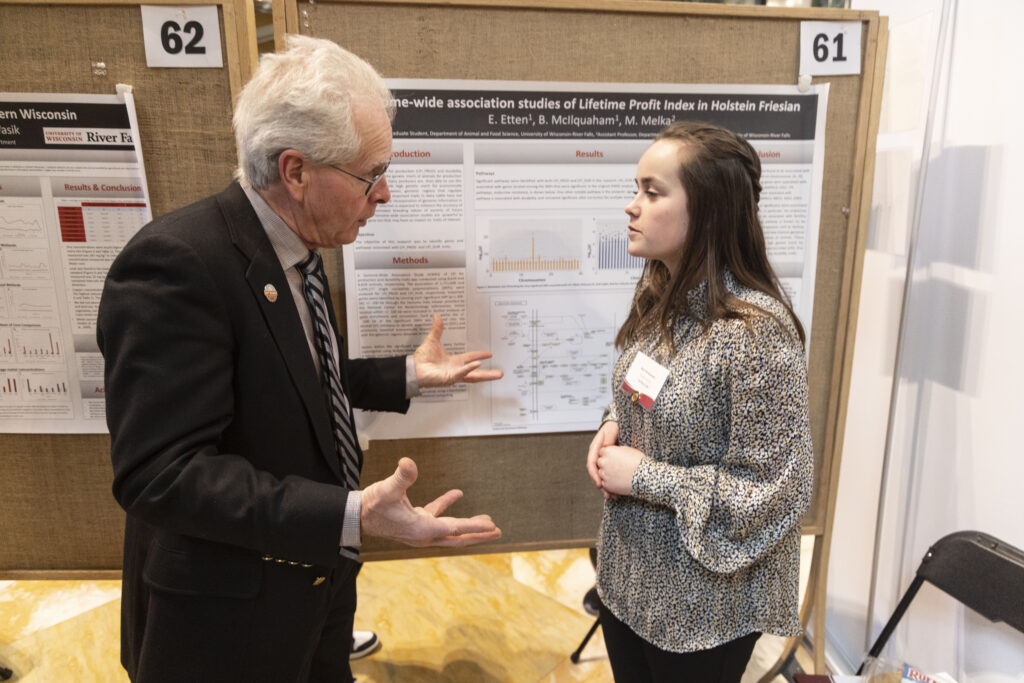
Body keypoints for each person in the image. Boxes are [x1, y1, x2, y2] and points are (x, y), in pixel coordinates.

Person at [97, 35, 502, 683]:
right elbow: (160, 475)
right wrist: (351, 514)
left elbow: (285, 375)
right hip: (226, 621)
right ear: (296, 171)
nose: (385, 196)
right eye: (372, 176)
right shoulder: (177, 264)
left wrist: (401, 374)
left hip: (315, 588)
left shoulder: (296, 245)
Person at [585, 121, 814, 683]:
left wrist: (644, 477)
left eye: (652, 192)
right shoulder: (660, 296)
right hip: (629, 578)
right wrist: (614, 422)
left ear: (709, 210)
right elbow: (652, 392)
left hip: (701, 607)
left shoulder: (753, 334)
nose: (631, 207)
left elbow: (775, 490)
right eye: (636, 189)